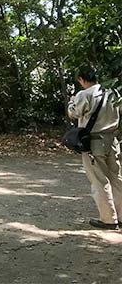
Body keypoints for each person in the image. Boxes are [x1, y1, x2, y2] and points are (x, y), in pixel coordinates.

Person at [68, 65, 122, 230]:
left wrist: (71, 102)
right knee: (117, 178)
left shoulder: (84, 94)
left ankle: (108, 219)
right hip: (112, 140)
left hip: (94, 142)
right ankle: (120, 216)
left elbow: (73, 113)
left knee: (99, 180)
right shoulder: (113, 93)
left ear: (81, 79)